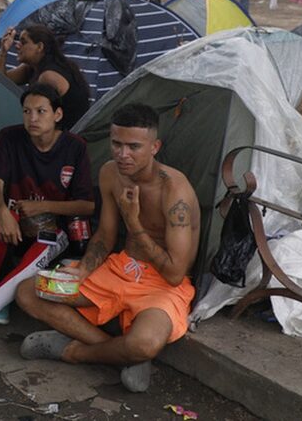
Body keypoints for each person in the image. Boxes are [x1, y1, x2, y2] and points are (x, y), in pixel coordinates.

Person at [14, 103, 200, 393]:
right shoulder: (111, 172)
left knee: (144, 343)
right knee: (28, 292)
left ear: (154, 147)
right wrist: (84, 271)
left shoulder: (175, 192)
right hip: (120, 269)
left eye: (134, 147)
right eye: (116, 144)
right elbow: (105, 235)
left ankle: (75, 351)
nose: (123, 154)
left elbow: (175, 273)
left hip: (161, 286)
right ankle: (119, 354)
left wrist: (134, 222)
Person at [0, 84, 95, 360]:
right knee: (5, 220)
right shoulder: (10, 137)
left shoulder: (75, 147)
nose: (32, 118)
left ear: (57, 114)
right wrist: (1, 212)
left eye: (41, 111)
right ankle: (1, 291)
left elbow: (87, 205)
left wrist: (43, 206)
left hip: (54, 228)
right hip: (16, 216)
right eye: (27, 111)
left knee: (35, 257)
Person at [0, 24, 92, 129]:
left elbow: (39, 117)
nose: (17, 46)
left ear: (40, 47)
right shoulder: (32, 67)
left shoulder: (49, 76)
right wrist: (3, 51)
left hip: (69, 135)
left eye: (23, 42)